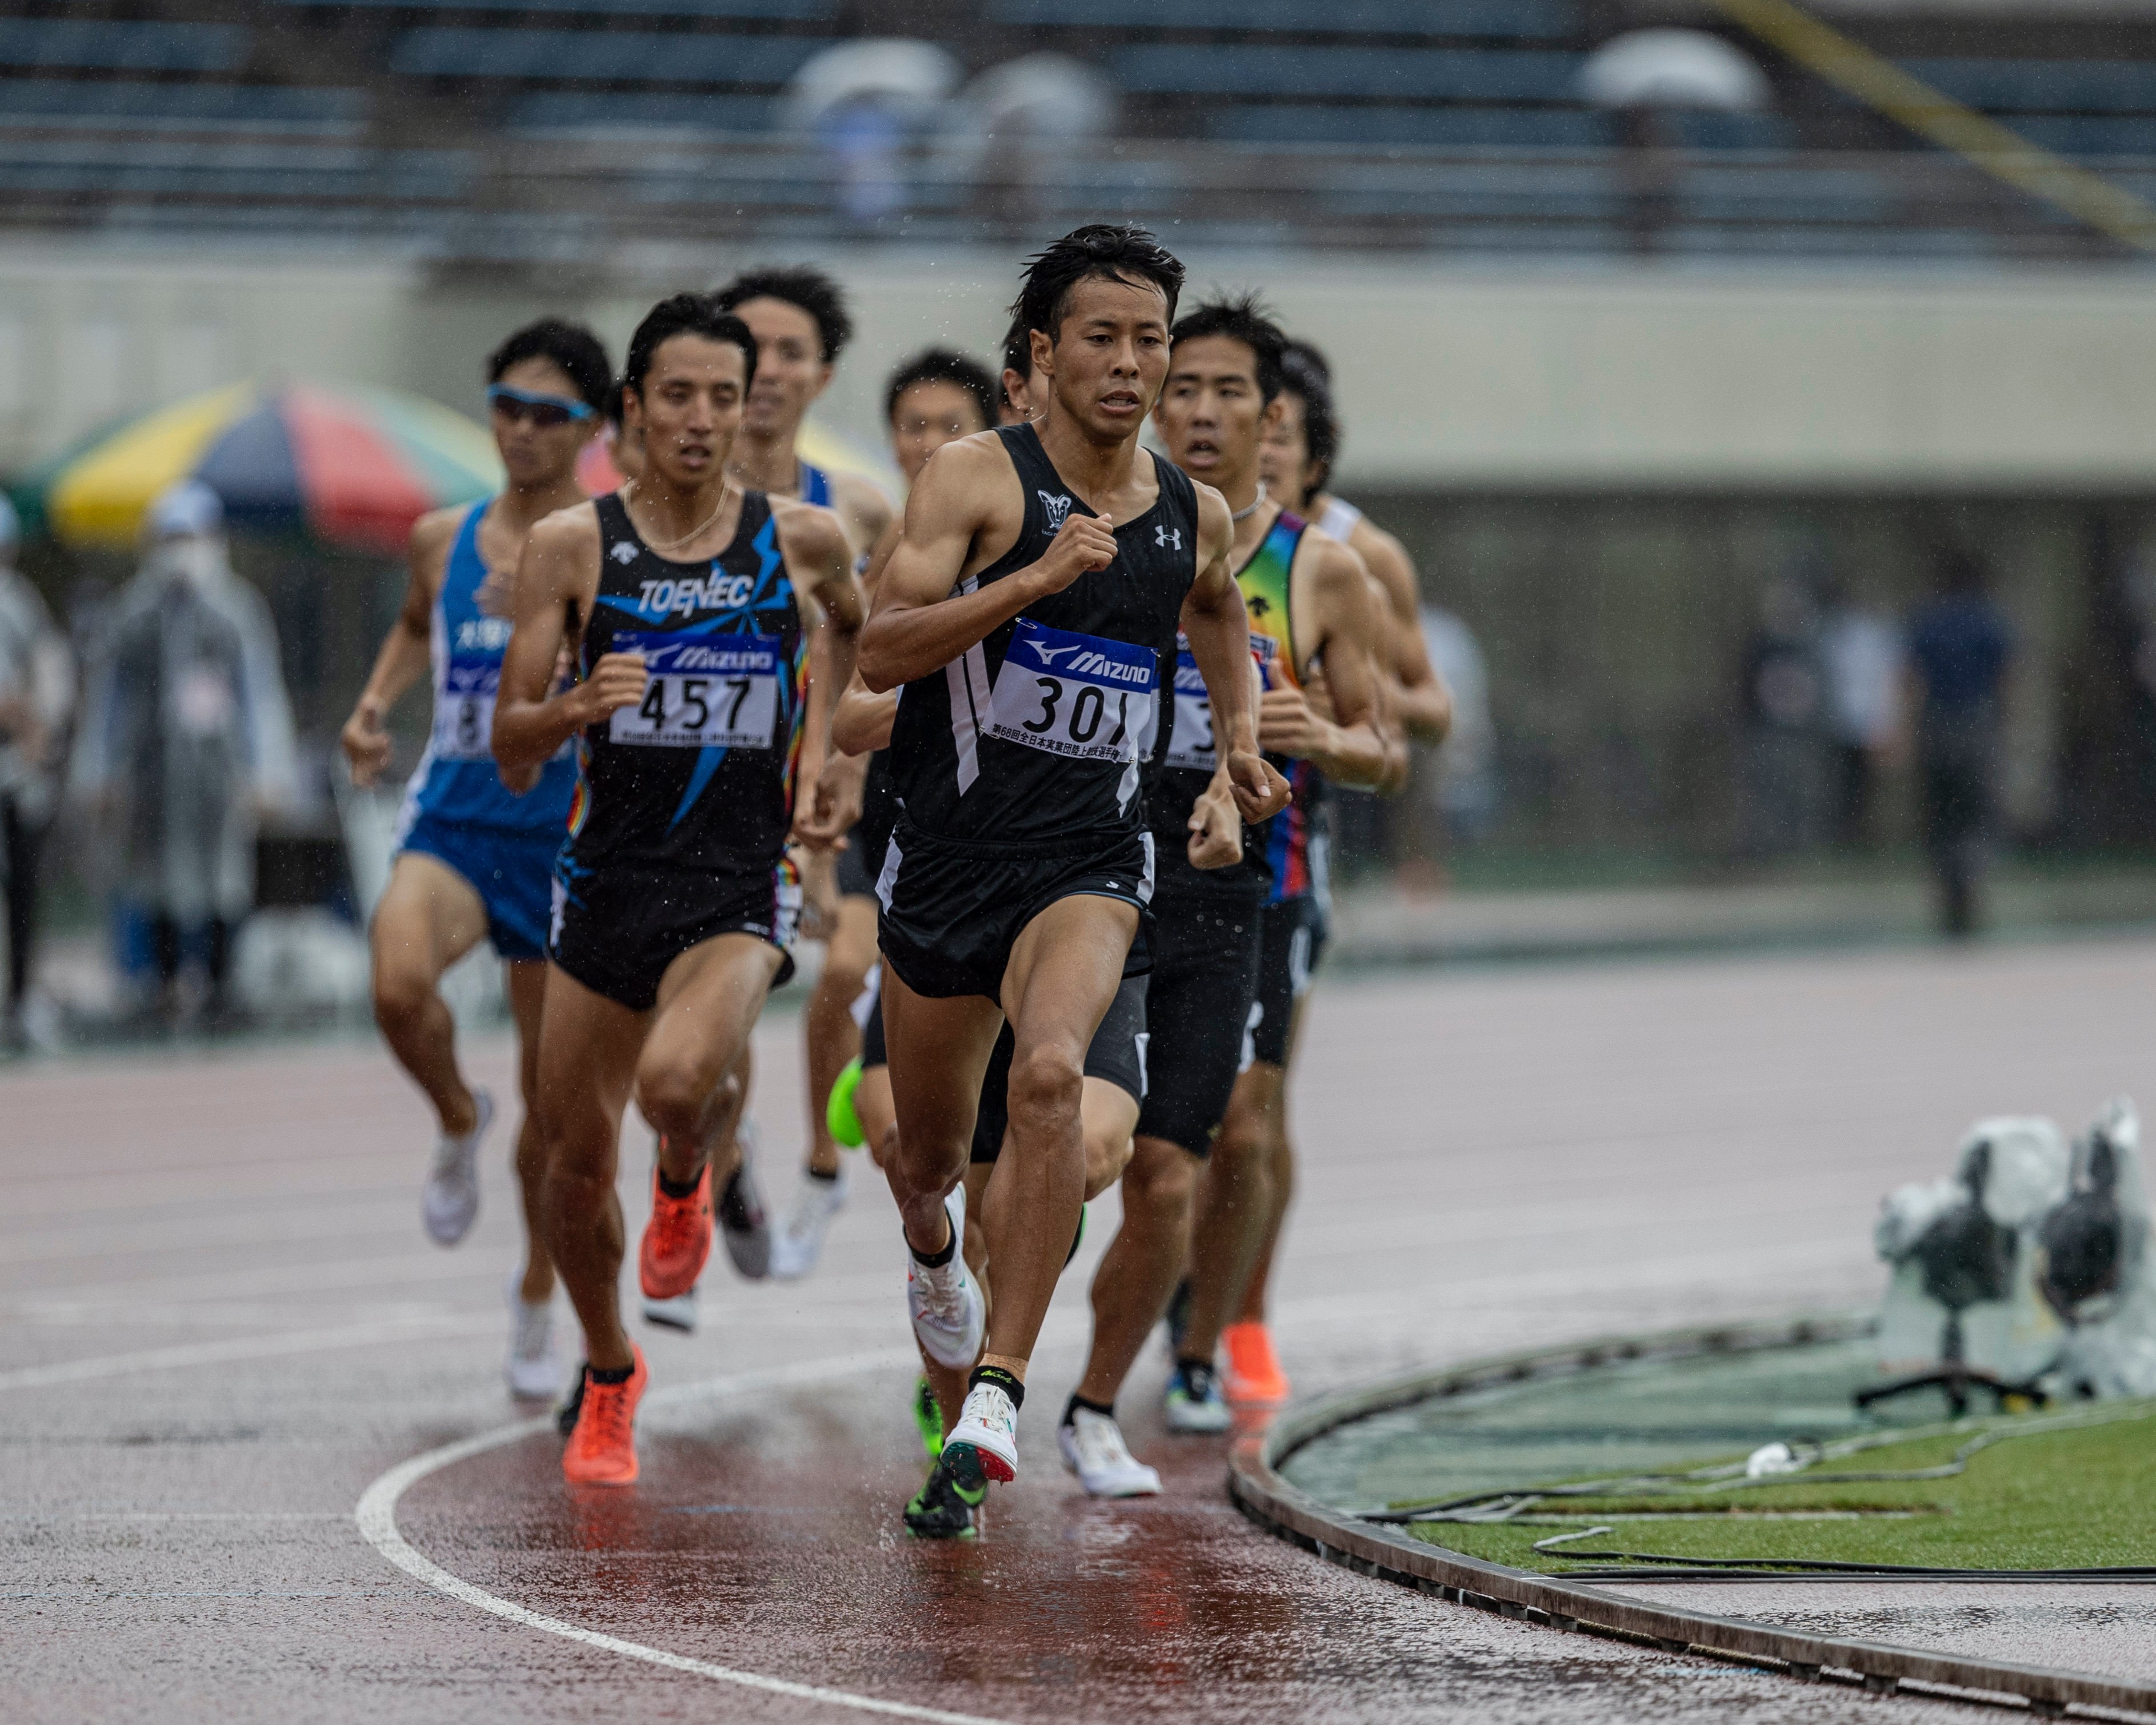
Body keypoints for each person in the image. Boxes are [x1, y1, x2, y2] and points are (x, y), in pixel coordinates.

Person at [861, 223, 1287, 1514]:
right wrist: (1032, 580)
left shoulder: (1189, 509)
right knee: (928, 1159)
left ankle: (1000, 1384)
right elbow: (883, 648)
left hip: (1092, 858)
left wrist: (1234, 754)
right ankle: (936, 1254)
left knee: (1052, 1076)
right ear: (1041, 355)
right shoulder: (973, 480)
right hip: (944, 866)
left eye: (1149, 339)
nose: (1129, 363)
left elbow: (1215, 601)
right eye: (1100, 338)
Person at [491, 294, 861, 1487]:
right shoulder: (574, 547)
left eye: (725, 395)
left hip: (736, 885)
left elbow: (856, 638)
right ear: (631, 411)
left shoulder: (799, 540)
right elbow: (509, 744)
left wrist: (832, 769)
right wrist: (571, 707)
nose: (703, 420)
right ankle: (608, 1373)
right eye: (677, 396)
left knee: (672, 1082)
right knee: (563, 1160)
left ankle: (690, 1178)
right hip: (602, 886)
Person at [338, 318, 611, 1397]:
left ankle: (539, 1296)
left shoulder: (605, 543)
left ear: (591, 428)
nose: (522, 428)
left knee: (556, 1116)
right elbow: (415, 625)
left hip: (561, 839)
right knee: (396, 984)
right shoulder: (442, 536)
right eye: (507, 404)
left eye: (549, 413)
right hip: (454, 820)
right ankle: (456, 1112)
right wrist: (371, 705)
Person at [1141, 303, 1390, 1443]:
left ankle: (1202, 1342)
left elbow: (1381, 746)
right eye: (1180, 387)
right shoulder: (1106, 538)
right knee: (1088, 1128)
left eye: (1226, 391)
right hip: (1101, 864)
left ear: (1267, 415)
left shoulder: (1322, 569)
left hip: (1264, 882)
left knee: (1239, 1130)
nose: (1200, 412)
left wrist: (1314, 735)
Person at [777, 348, 1001, 1284]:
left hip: (982, 815)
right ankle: (831, 1155)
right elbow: (844, 644)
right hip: (882, 803)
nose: (926, 443)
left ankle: (891, 1090)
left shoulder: (1004, 526)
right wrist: (832, 763)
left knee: (970, 1099)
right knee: (839, 964)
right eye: (912, 424)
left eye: (947, 425)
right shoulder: (870, 523)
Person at [709, 265, 893, 1275]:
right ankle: (724, 1153)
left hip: (825, 783)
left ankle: (823, 1160)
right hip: (699, 793)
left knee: (845, 969)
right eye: (749, 348)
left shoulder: (854, 512)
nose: (767, 370)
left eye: (789, 352)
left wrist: (835, 758)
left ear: (821, 376)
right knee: (708, 1018)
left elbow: (876, 640)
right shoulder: (661, 508)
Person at [71, 481, 296, 1028]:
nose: (180, 549)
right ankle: (165, 986)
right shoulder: (134, 613)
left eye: (189, 536)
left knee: (223, 877)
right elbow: (112, 699)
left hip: (218, 772)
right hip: (152, 772)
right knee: (156, 877)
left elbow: (258, 693)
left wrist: (266, 771)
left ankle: (220, 987)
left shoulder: (235, 610)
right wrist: (98, 772)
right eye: (170, 537)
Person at [0, 498, 75, 1053]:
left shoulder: (20, 606)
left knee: (23, 886)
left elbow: (48, 686)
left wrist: (34, 734)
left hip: (16, 773)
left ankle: (22, 995)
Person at [1907, 548, 2013, 937]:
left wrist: (1903, 732)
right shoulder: (1988, 620)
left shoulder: (1927, 620)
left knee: (1941, 813)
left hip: (1937, 725)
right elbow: (2006, 677)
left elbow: (1910, 679)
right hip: (1975, 722)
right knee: (1976, 811)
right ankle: (1969, 885)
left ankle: (1949, 893)